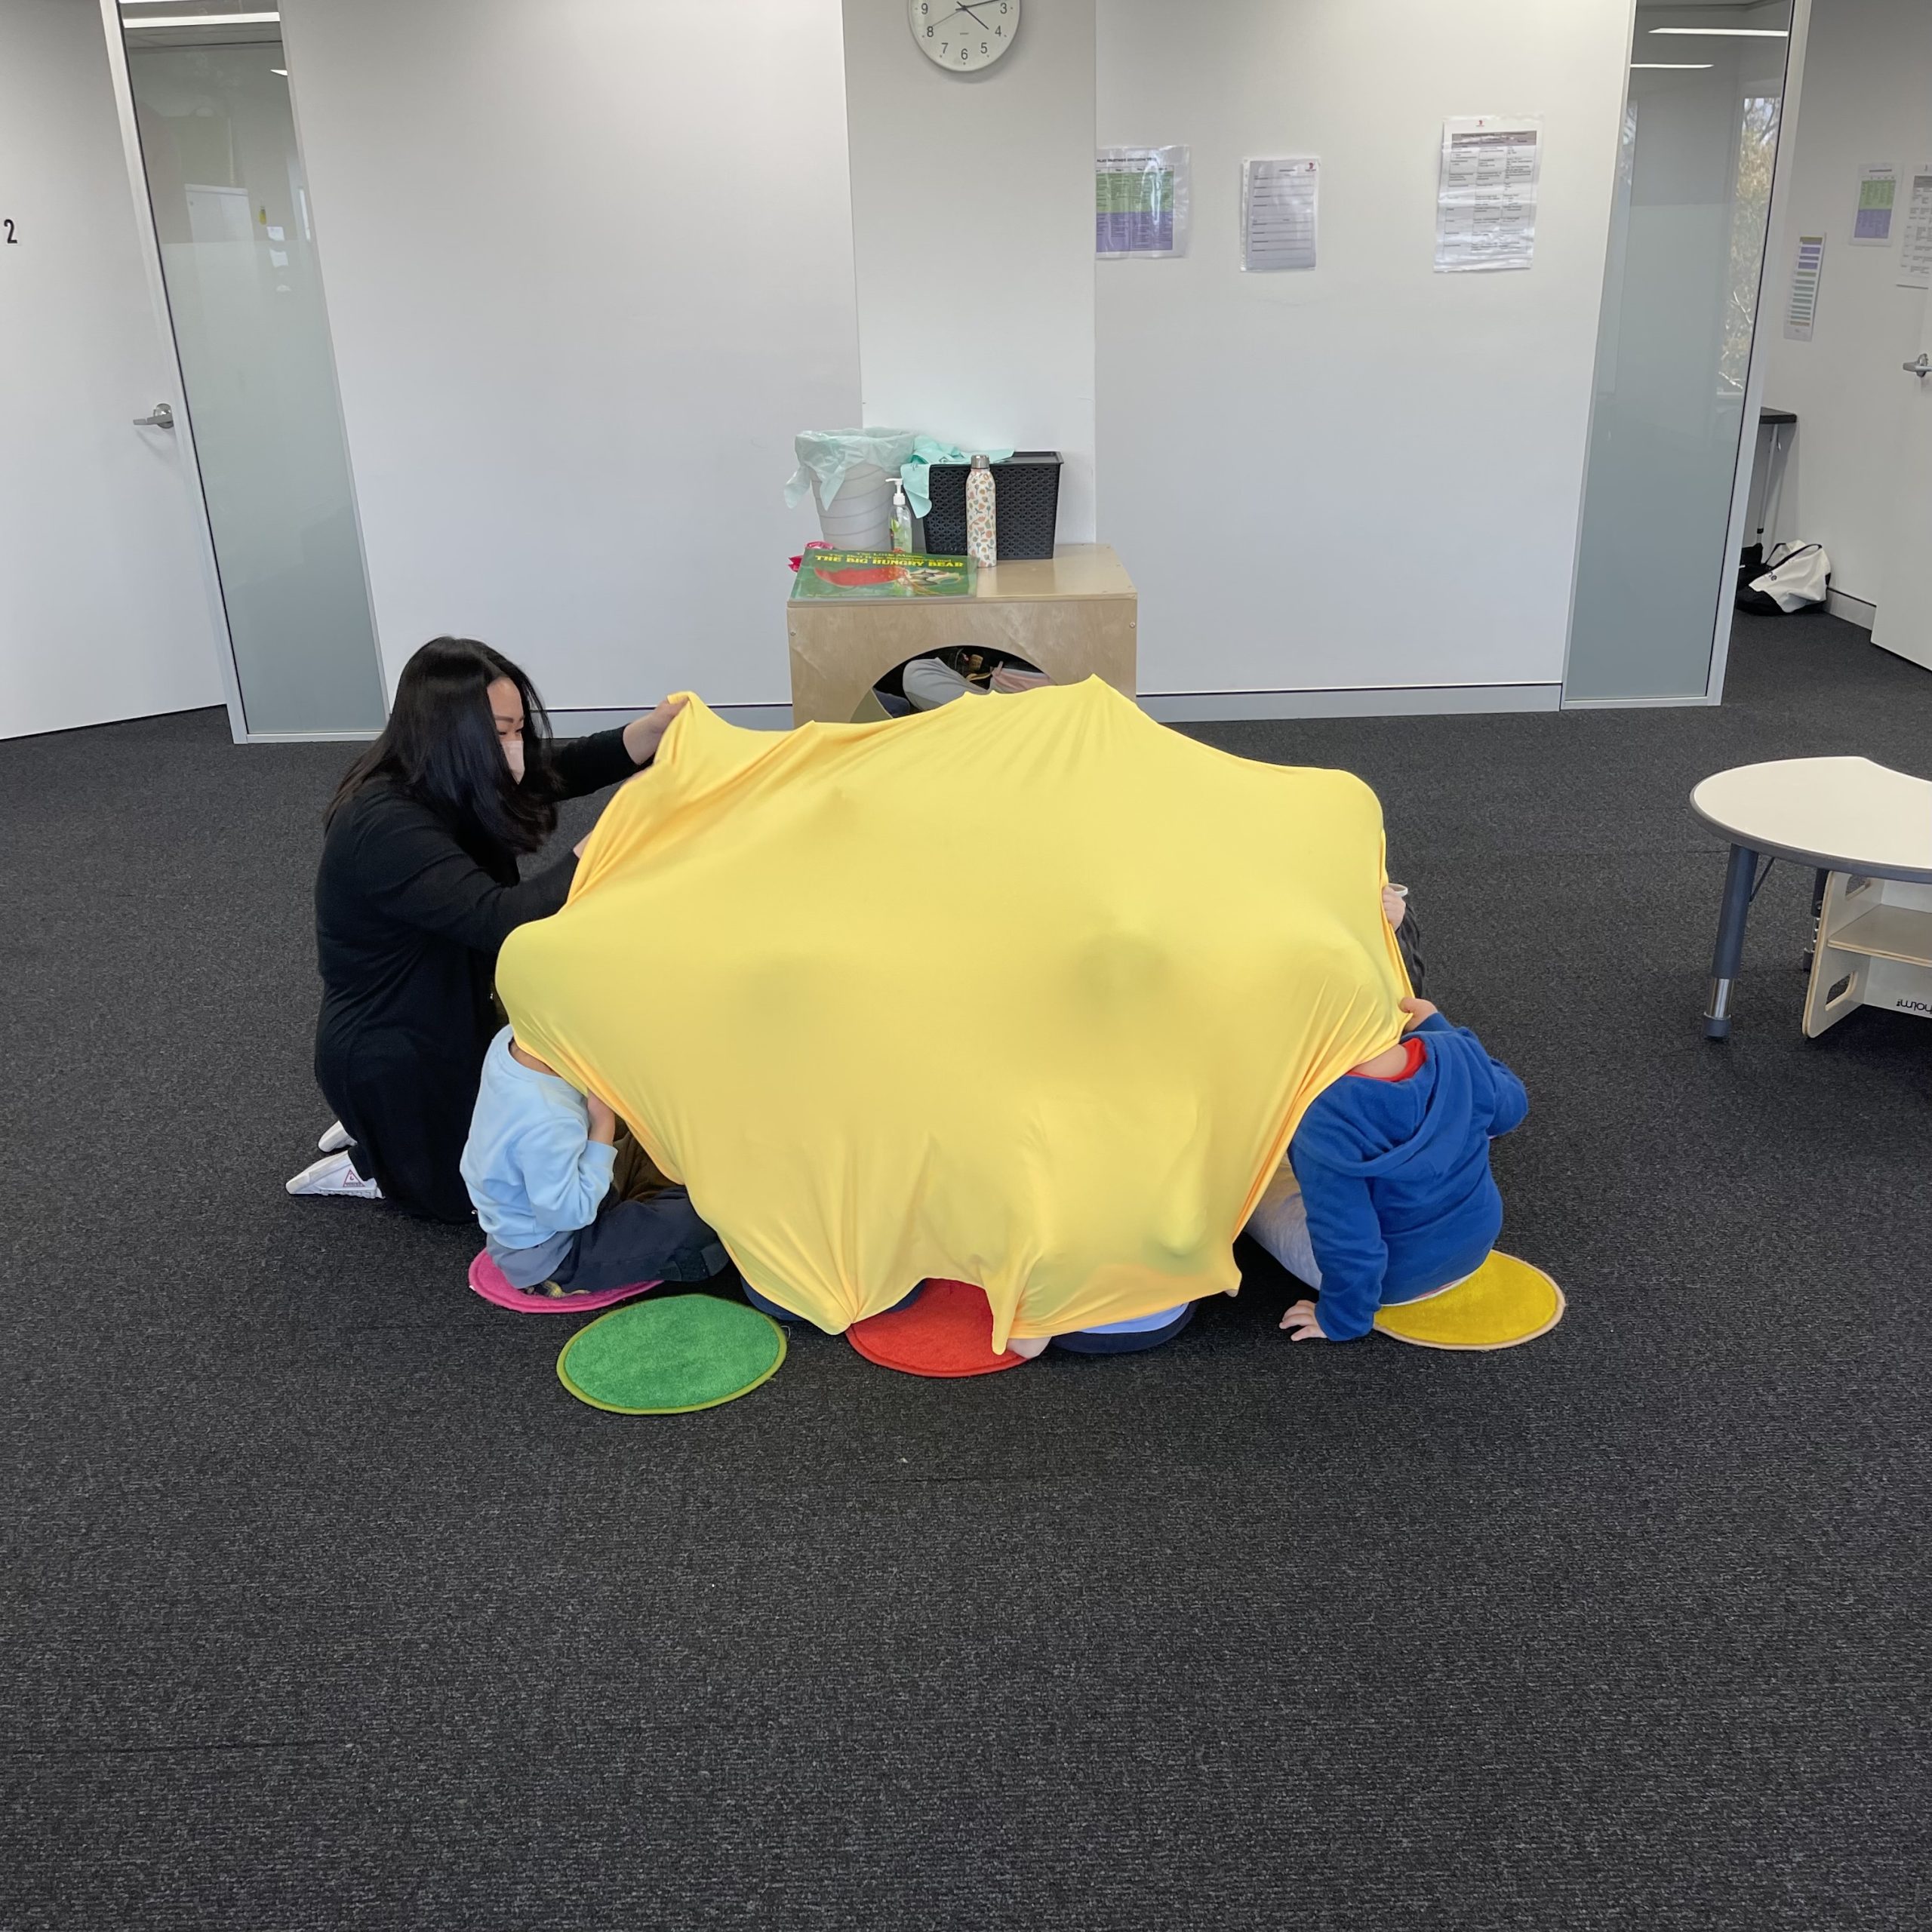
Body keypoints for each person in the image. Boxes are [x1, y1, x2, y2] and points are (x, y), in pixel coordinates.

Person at [285, 636, 684, 1220]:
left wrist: (647, 734)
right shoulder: (385, 825)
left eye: (518, 728)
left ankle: (384, 1131)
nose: (517, 746)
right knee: (480, 1198)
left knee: (534, 1128)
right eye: (500, 732)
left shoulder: (448, 774)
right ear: (452, 735)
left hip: (456, 1008)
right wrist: (613, 837)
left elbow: (558, 770)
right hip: (393, 1049)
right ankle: (373, 1162)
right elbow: (506, 921)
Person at [1247, 995, 1527, 1343]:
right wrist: (1440, 1031)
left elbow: (1348, 1239)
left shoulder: (1321, 1119)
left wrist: (1341, 1320)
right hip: (1476, 1243)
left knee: (1252, 1181)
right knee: (1470, 1107)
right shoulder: (1456, 1050)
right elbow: (1511, 1109)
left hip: (1392, 1281)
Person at [460, 1026, 727, 1297]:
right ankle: (663, 1257)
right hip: (559, 1253)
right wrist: (603, 1124)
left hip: (553, 1204)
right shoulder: (549, 1121)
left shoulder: (511, 1039)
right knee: (697, 1216)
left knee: (654, 1139)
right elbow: (569, 1214)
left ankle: (645, 1211)